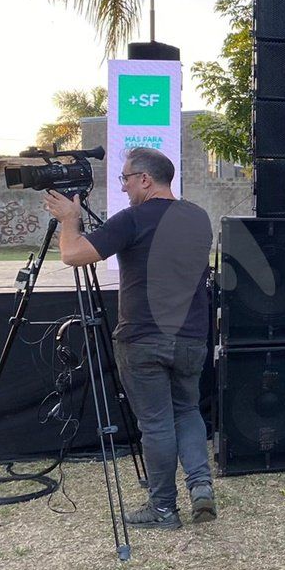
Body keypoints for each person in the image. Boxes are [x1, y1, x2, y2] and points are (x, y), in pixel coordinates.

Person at [43, 147, 215, 530]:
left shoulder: (133, 219)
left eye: (125, 179)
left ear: (145, 180)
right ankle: (201, 486)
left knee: (155, 424)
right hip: (191, 337)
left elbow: (73, 254)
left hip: (143, 339)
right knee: (186, 411)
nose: (123, 187)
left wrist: (70, 219)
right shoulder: (199, 217)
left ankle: (163, 508)